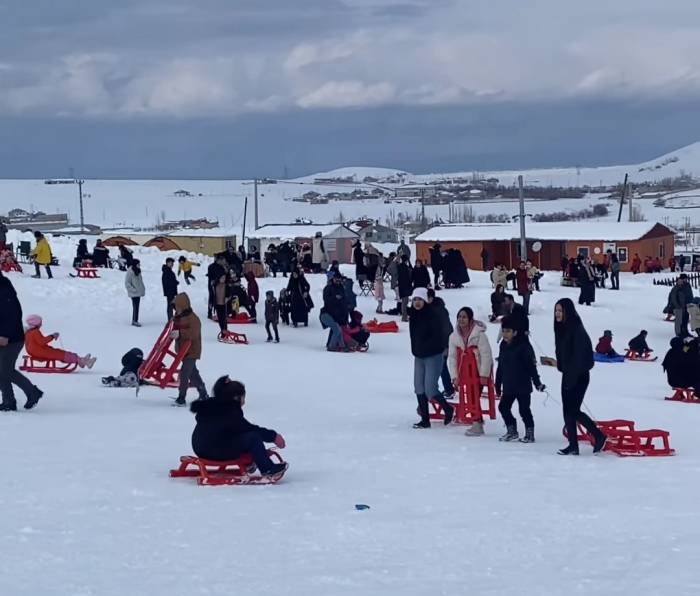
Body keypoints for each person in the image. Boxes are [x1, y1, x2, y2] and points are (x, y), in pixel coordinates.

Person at [190, 376, 287, 477]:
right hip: (214, 450)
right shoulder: (230, 410)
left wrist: (260, 452)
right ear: (236, 397)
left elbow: (232, 431)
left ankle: (249, 461)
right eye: (244, 396)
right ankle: (268, 469)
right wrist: (273, 436)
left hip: (199, 447)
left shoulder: (211, 404)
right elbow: (248, 429)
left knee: (242, 436)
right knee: (253, 438)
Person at [554, 298, 606, 455]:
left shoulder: (577, 329)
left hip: (579, 376)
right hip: (568, 374)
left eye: (560, 311)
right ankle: (573, 445)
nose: (557, 314)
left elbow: (583, 357)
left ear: (567, 312)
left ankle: (598, 435)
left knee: (573, 410)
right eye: (556, 311)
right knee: (567, 410)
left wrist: (572, 374)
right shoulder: (561, 328)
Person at [495, 315, 545, 443]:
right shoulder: (503, 346)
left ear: (515, 332)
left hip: (522, 385)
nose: (505, 334)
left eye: (508, 331)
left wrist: (537, 383)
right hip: (508, 385)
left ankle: (530, 433)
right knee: (503, 407)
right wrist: (497, 383)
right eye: (504, 331)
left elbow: (531, 368)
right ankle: (512, 430)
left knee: (524, 410)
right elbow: (501, 365)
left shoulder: (523, 347)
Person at [409, 288, 453, 428]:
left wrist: (441, 347)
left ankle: (448, 408)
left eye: (420, 299)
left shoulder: (433, 315)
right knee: (418, 387)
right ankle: (425, 420)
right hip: (419, 355)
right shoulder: (413, 316)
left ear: (425, 300)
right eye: (415, 300)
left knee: (430, 388)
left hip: (433, 355)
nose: (417, 303)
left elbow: (439, 335)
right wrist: (416, 349)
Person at [0, 270, 43, 411]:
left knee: (5, 370)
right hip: (5, 337)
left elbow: (13, 314)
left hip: (11, 339)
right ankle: (8, 402)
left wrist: (5, 335)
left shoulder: (4, 290)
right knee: (3, 370)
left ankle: (32, 392)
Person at [447, 306, 493, 436]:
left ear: (470, 319)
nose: (461, 319)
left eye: (464, 317)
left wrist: (484, 374)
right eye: (459, 317)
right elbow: (452, 358)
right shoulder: (454, 336)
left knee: (474, 396)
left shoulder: (479, 334)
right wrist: (454, 376)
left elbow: (486, 354)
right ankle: (477, 422)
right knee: (470, 397)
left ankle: (477, 423)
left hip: (478, 371)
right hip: (465, 372)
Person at [171, 293, 207, 406]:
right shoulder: (178, 317)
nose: (177, 310)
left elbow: (193, 334)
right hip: (183, 350)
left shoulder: (193, 319)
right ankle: (203, 394)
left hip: (192, 351)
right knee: (193, 374)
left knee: (184, 373)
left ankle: (181, 398)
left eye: (178, 307)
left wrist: (180, 333)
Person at [24, 315, 95, 369]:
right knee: (61, 354)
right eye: (40, 323)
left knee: (59, 352)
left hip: (39, 351)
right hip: (41, 352)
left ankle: (81, 360)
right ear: (36, 324)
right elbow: (42, 342)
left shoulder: (29, 332)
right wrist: (52, 336)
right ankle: (83, 361)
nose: (41, 325)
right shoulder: (35, 332)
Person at [426, 288, 454, 399]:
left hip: (442, 344)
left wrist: (446, 346)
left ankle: (447, 389)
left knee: (441, 367)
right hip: (436, 344)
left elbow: (446, 329)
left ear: (431, 298)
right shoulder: (431, 309)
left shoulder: (438, 310)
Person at [320, 273, 348, 351]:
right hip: (326, 314)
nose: (338, 281)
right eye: (336, 279)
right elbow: (326, 300)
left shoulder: (341, 288)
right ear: (333, 279)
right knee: (336, 329)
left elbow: (344, 302)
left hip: (337, 315)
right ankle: (331, 346)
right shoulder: (328, 288)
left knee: (337, 329)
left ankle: (341, 346)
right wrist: (335, 298)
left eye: (339, 279)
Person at [125, 259, 145, 327]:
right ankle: (134, 321)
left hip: (138, 292)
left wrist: (142, 289)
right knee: (135, 307)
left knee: (137, 306)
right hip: (134, 293)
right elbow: (127, 283)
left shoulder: (138, 271)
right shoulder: (130, 272)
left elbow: (140, 282)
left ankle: (135, 320)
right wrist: (134, 290)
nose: (139, 265)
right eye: (138, 264)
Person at [206, 254, 227, 319]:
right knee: (212, 298)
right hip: (213, 285)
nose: (224, 261)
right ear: (219, 260)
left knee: (220, 298)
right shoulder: (211, 266)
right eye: (223, 260)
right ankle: (210, 312)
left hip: (221, 286)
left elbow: (225, 274)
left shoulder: (223, 267)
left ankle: (220, 312)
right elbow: (211, 276)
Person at [397, 254, 413, 322]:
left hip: (401, 286)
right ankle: (404, 317)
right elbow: (411, 271)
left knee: (404, 302)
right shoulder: (405, 267)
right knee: (405, 302)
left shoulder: (399, 266)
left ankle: (404, 316)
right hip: (406, 286)